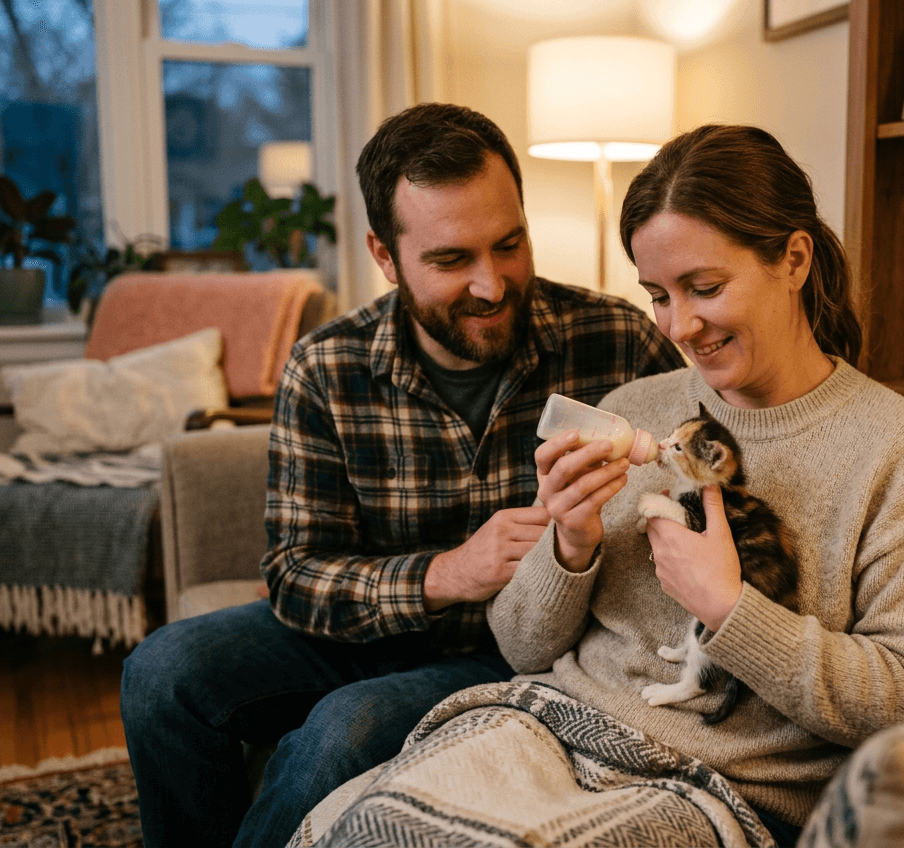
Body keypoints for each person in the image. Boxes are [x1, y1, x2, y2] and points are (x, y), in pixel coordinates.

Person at [295, 124, 904, 848]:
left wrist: (730, 608)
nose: (680, 325)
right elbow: (520, 648)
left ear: (794, 259)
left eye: (705, 288)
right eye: (658, 295)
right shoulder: (635, 407)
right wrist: (571, 544)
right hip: (547, 731)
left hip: (713, 787)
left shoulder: (895, 447)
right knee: (355, 831)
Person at [118, 102, 685, 848]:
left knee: (342, 730)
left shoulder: (617, 340)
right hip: (375, 629)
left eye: (509, 245)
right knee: (161, 672)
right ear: (385, 256)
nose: (492, 285)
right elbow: (294, 574)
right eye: (451, 261)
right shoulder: (326, 367)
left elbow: (689, 478)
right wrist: (448, 573)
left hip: (524, 652)